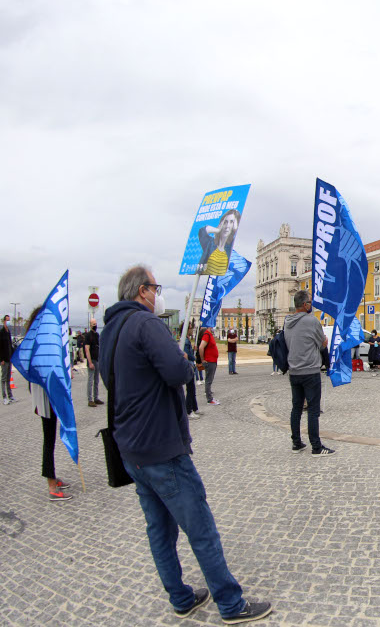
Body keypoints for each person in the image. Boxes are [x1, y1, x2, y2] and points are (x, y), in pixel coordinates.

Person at [99, 265, 272, 624]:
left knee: (159, 528)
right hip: (162, 447)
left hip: (131, 449)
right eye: (155, 287)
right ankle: (230, 603)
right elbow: (180, 374)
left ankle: (180, 597)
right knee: (200, 526)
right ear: (143, 291)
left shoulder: (110, 330)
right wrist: (181, 357)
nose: (157, 293)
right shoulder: (146, 324)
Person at [22, 305, 74, 501]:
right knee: (49, 438)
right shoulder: (38, 341)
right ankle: (51, 485)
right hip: (45, 395)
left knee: (50, 437)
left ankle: (51, 476)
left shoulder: (38, 339)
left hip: (46, 394)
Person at [283, 290, 335, 457]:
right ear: (305, 305)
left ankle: (296, 442)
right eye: (310, 302)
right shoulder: (311, 321)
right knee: (313, 410)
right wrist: (323, 343)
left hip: (294, 371)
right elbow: (322, 343)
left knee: (296, 408)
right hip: (310, 370)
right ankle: (316, 447)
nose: (311, 305)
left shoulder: (287, 321)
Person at [197, 209, 241, 277]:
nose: (227, 226)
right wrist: (217, 230)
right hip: (206, 280)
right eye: (225, 222)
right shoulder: (210, 243)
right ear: (221, 223)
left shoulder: (229, 249)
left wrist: (234, 228)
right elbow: (202, 231)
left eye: (231, 222)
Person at [83, 318, 104, 407]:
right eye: (93, 324)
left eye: (95, 323)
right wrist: (90, 362)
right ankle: (90, 399)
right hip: (92, 360)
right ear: (90, 324)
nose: (95, 325)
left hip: (97, 359)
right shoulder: (88, 335)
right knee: (91, 380)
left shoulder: (97, 335)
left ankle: (96, 397)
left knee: (97, 380)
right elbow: (87, 349)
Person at [197, 327, 219, 405]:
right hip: (210, 361)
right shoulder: (207, 334)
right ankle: (209, 399)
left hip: (212, 360)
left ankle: (210, 397)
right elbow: (201, 347)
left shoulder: (209, 334)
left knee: (209, 379)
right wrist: (203, 360)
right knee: (208, 380)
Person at [1, 314, 14, 405]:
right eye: (7, 320)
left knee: (9, 378)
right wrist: (1, 359)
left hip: (9, 358)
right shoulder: (1, 332)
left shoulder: (8, 332)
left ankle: (10, 396)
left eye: (9, 320)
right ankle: (4, 397)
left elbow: (10, 345)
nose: (8, 322)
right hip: (4, 359)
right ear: (4, 321)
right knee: (3, 378)